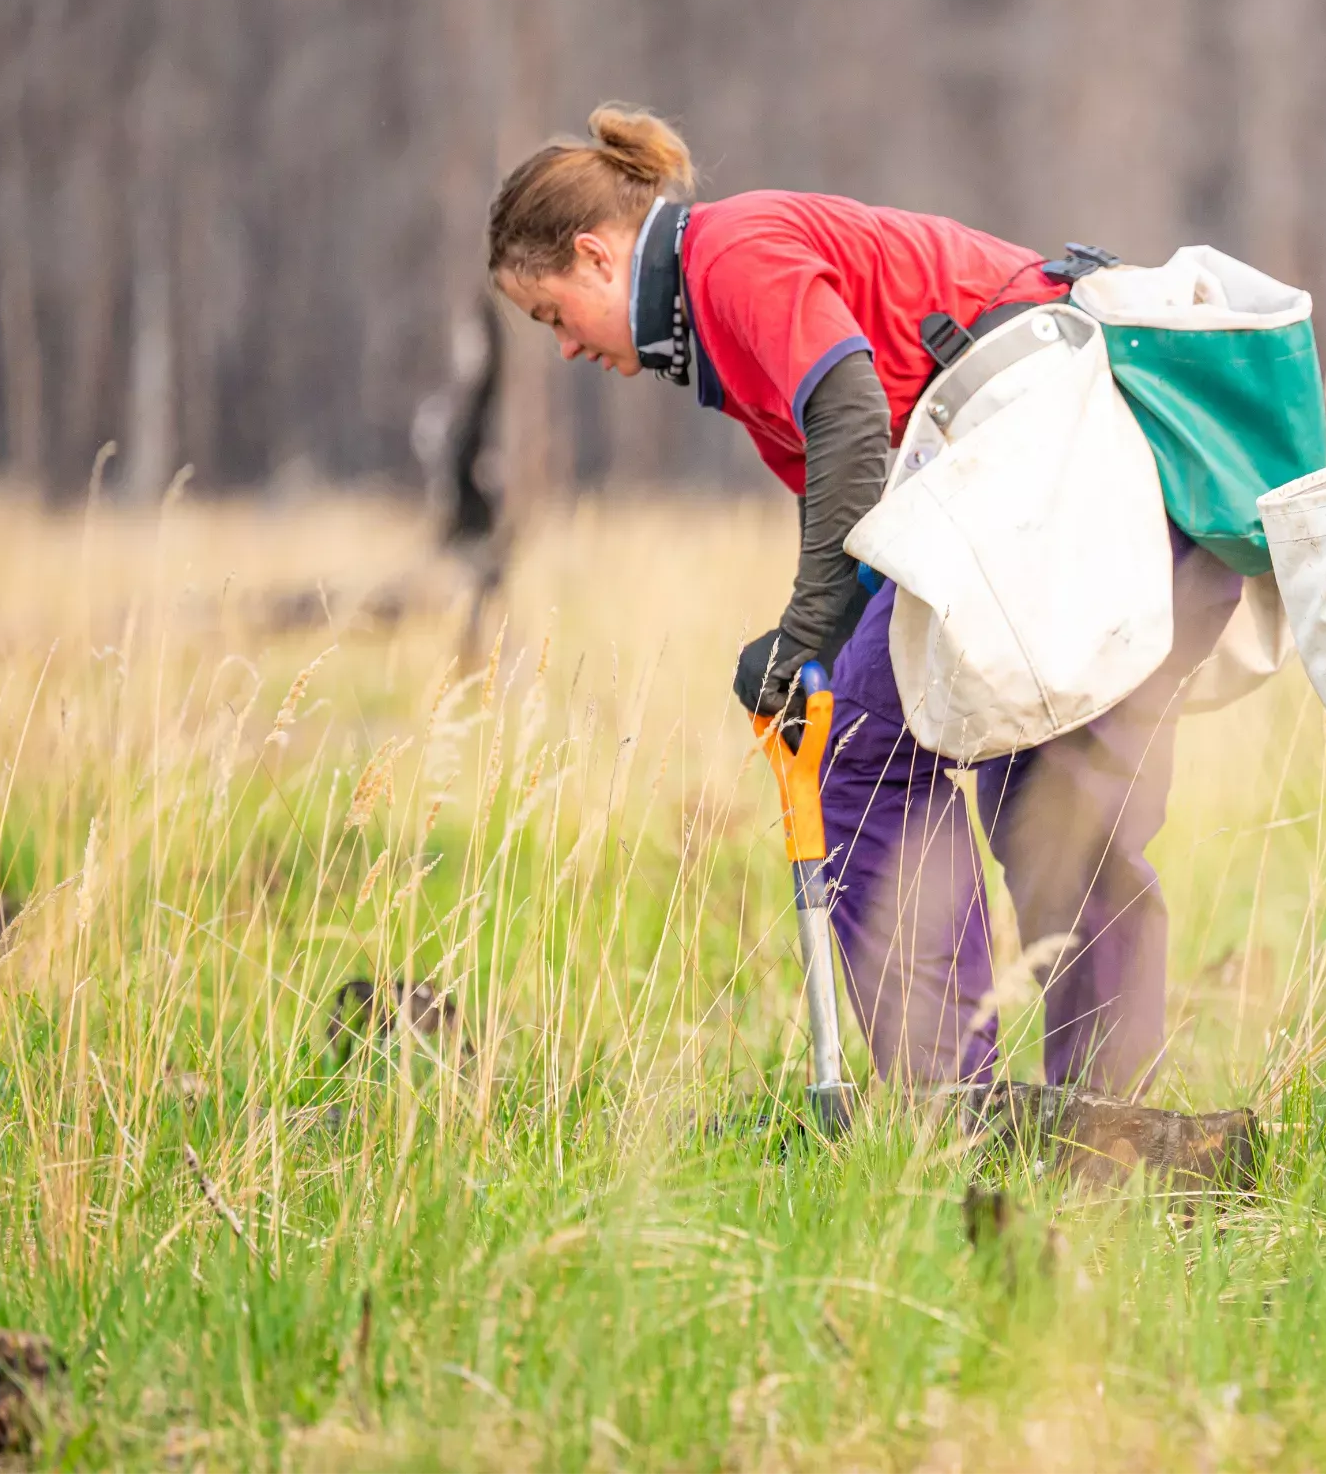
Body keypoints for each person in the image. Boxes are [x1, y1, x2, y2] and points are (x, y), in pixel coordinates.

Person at [485, 104, 1242, 1095]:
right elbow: (873, 524)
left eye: (549, 315)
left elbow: (847, 420)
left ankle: (948, 1109)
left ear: (593, 256)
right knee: (1054, 803)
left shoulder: (728, 257)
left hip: (1059, 466)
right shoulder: (719, 324)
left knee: (863, 764)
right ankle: (1100, 1130)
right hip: (1084, 476)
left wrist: (806, 639)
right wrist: (821, 646)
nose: (565, 349)